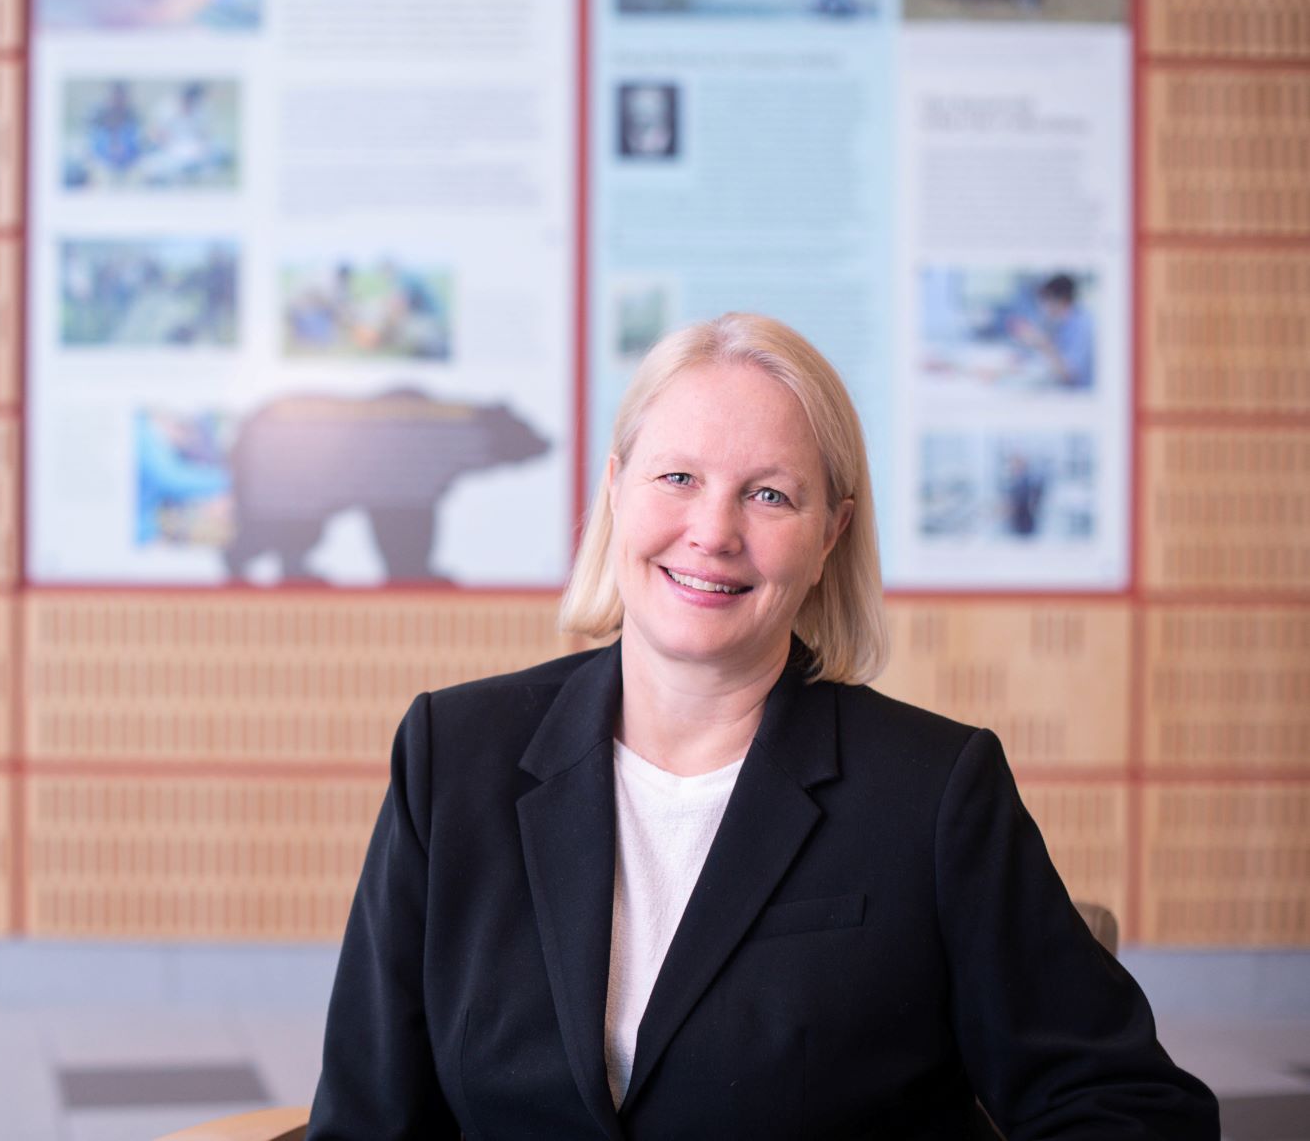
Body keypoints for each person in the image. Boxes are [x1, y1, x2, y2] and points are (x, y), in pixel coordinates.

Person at [309, 313, 1217, 1138]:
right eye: (678, 477)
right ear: (618, 491)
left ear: (831, 536)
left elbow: (1128, 1107)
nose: (713, 530)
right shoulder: (452, 755)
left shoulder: (934, 791)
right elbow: (369, 1120)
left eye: (770, 495)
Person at [1007, 273, 1095, 389]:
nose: (1043, 307)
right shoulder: (1059, 321)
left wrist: (1043, 344)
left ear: (1061, 300)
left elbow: (1069, 375)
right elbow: (1049, 352)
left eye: (1046, 300)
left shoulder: (1084, 326)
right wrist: (1024, 353)